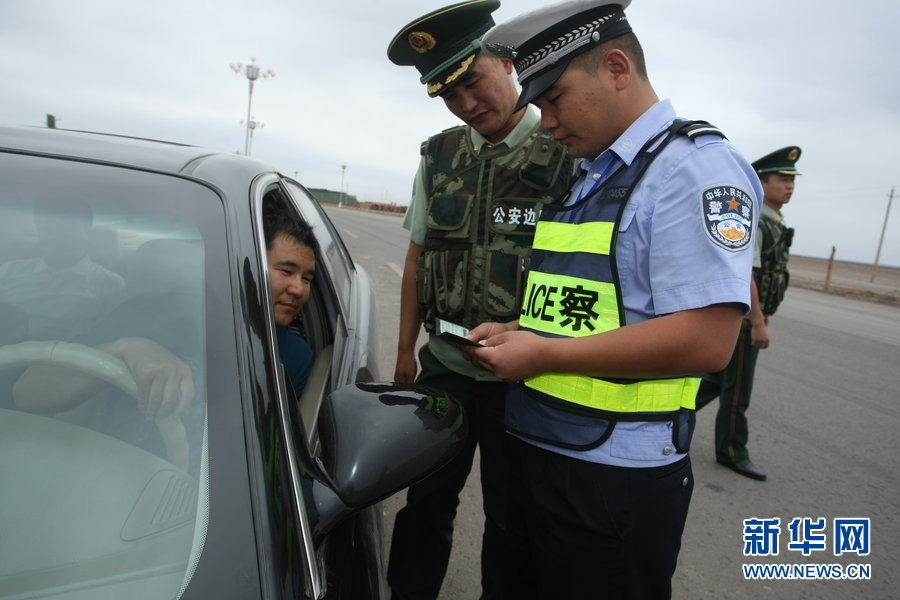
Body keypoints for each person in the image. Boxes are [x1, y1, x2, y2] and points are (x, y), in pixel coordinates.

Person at [463, 2, 762, 597]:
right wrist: (518, 327)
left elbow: (708, 340)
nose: (544, 122)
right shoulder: (593, 172)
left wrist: (542, 355)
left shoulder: (692, 170)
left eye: (554, 99)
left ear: (618, 68)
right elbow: (591, 303)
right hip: (540, 448)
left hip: (613, 477)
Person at [386, 2, 573, 598]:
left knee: (512, 515)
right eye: (448, 94)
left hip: (524, 377)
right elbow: (419, 256)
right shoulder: (438, 157)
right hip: (445, 363)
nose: (467, 103)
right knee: (426, 500)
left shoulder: (561, 146)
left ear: (507, 62)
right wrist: (404, 354)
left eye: (473, 82)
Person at [696, 146, 802, 482]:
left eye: (792, 180)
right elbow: (748, 275)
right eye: (782, 179)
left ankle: (665, 413)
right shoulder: (753, 220)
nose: (789, 186)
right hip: (741, 320)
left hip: (750, 317)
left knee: (715, 380)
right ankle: (731, 452)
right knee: (738, 391)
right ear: (761, 180)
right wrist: (757, 320)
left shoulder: (774, 221)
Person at [0, 197, 126, 341]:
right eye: (48, 228)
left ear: (87, 232)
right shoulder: (9, 270)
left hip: (66, 360)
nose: (56, 236)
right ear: (38, 231)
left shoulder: (109, 283)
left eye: (68, 229)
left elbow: (113, 337)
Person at [262, 204, 318, 396]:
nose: (299, 289)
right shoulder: (195, 327)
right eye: (286, 271)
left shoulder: (296, 358)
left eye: (307, 279)